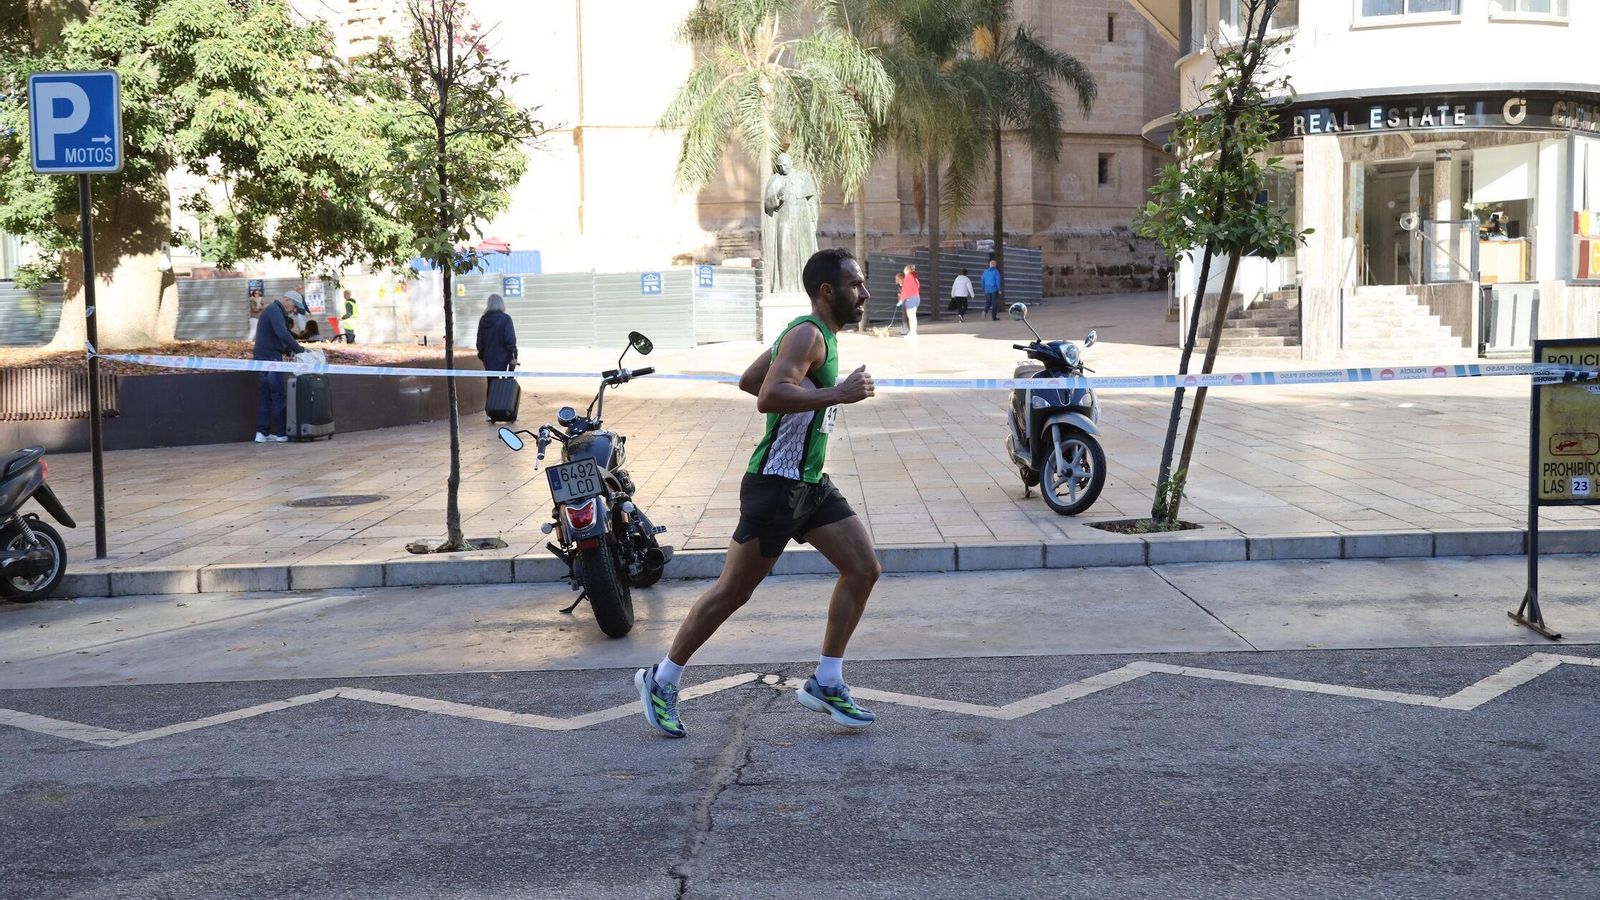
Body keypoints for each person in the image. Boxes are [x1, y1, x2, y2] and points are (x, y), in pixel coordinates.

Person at [636, 248, 881, 738]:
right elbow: (767, 396)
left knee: (863, 567)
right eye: (856, 284)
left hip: (809, 483)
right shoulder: (808, 333)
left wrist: (807, 401)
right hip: (775, 486)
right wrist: (837, 394)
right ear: (827, 291)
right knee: (733, 592)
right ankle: (661, 679)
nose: (865, 293)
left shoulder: (814, 336)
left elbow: (752, 380)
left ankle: (826, 681)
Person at [253, 290, 305, 443]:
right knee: (278, 394)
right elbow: (282, 334)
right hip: (271, 359)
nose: (294, 310)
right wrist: (299, 350)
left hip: (262, 357)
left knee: (265, 396)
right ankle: (281, 433)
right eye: (294, 306)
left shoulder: (272, 311)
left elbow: (275, 336)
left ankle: (262, 433)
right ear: (287, 300)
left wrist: (287, 350)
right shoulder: (275, 311)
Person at [476, 293, 517, 420]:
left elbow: (479, 342)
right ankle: (506, 409)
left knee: (492, 384)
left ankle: (490, 412)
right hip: (504, 357)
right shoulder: (506, 319)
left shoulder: (483, 320)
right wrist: (513, 356)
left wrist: (483, 356)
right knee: (506, 383)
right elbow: (510, 340)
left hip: (489, 358)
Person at [898, 264, 921, 337]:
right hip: (916, 298)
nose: (903, 271)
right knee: (913, 316)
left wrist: (901, 300)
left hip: (910, 299)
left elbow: (905, 290)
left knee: (911, 316)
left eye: (904, 269)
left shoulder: (908, 277)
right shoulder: (915, 277)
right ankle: (914, 332)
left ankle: (912, 333)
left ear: (907, 270)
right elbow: (917, 286)